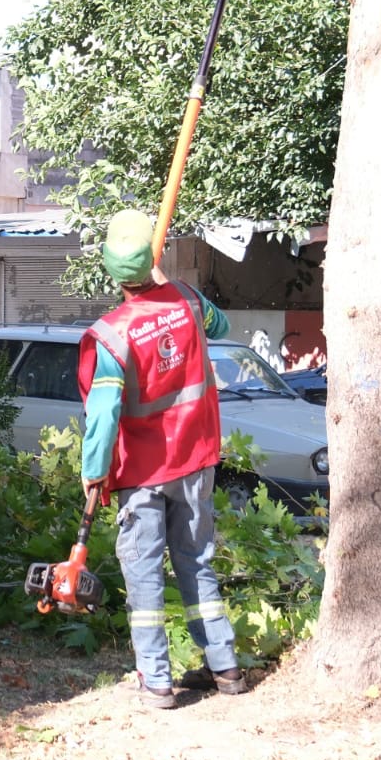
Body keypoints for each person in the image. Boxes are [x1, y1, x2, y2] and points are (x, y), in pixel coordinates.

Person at [77, 208, 245, 710]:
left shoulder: (112, 334)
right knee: (198, 562)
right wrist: (165, 280)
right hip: (196, 462)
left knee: (145, 574)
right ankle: (226, 666)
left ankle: (156, 680)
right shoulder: (190, 302)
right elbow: (222, 322)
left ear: (110, 269)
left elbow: (104, 415)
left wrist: (93, 473)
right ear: (153, 260)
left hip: (145, 476)